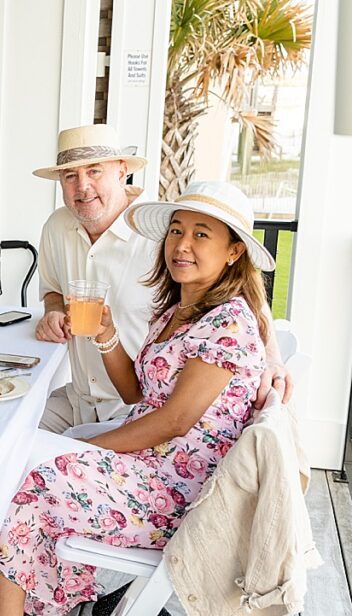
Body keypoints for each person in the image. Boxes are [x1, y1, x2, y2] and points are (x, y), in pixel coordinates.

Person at [0, 182, 275, 616]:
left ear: (233, 251)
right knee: (12, 460)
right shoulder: (177, 310)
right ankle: (16, 611)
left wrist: (83, 448)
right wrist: (107, 334)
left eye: (201, 235)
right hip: (149, 465)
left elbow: (173, 421)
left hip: (177, 495)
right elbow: (136, 393)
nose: (182, 245)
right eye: (176, 231)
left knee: (26, 476)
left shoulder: (229, 324)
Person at [31, 124, 291, 437]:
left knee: (32, 458)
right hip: (80, 397)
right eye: (70, 176)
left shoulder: (168, 240)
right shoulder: (57, 226)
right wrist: (54, 311)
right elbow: (53, 291)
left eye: (95, 171)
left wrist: (274, 358)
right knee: (6, 435)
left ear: (122, 171)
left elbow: (244, 297)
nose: (82, 186)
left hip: (138, 409)